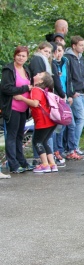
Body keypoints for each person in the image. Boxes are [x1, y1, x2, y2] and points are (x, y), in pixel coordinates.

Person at [0, 46, 34, 175]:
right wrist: (25, 88)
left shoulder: (26, 70)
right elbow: (6, 88)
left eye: (23, 56)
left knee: (20, 136)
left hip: (23, 108)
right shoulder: (8, 70)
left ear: (27, 57)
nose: (21, 58)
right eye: (18, 55)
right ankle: (13, 164)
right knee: (12, 136)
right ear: (15, 56)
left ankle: (22, 161)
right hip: (12, 107)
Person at [15, 72, 58, 173]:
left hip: (42, 121)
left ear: (41, 81)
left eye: (39, 74)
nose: (37, 73)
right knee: (44, 142)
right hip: (50, 120)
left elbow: (35, 103)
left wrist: (21, 98)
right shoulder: (44, 90)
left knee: (37, 141)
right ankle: (52, 164)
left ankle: (45, 164)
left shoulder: (36, 89)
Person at [64, 36, 84, 160]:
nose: (83, 47)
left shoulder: (80, 57)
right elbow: (69, 77)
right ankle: (73, 147)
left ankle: (73, 146)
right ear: (74, 46)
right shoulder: (68, 58)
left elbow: (82, 75)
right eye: (81, 45)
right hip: (74, 93)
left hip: (81, 91)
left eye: (83, 45)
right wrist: (71, 92)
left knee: (79, 119)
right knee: (81, 119)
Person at [50, 43, 73, 166]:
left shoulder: (65, 62)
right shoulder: (52, 64)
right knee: (56, 126)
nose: (58, 53)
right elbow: (56, 82)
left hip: (64, 97)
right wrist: (62, 94)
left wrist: (68, 94)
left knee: (64, 124)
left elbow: (67, 80)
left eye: (60, 50)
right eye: (56, 51)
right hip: (57, 97)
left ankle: (60, 148)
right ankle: (56, 150)